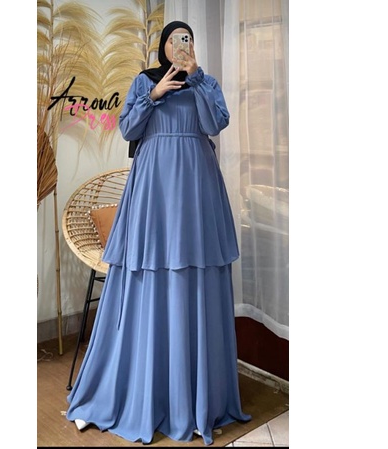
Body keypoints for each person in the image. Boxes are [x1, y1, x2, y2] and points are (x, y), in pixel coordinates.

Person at [66, 20, 251, 445]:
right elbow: (128, 130)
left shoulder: (206, 83)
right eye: (174, 40)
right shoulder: (143, 82)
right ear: (163, 46)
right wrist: (153, 95)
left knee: (194, 270)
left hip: (197, 186)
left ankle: (195, 394)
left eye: (187, 40)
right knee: (152, 270)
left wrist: (196, 78)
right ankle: (146, 386)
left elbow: (216, 122)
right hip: (153, 187)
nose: (180, 46)